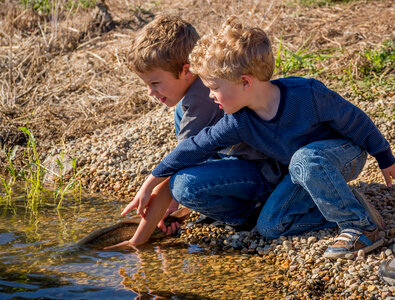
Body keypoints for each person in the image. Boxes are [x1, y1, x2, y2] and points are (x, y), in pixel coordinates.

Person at [127, 16, 394, 258]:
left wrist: (384, 157)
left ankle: (359, 226)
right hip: (298, 172)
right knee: (269, 226)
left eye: (215, 88)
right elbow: (196, 147)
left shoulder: (307, 94)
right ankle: (347, 203)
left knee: (304, 158)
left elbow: (355, 120)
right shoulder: (238, 120)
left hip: (340, 155)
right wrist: (152, 180)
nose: (210, 95)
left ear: (245, 82)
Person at [112, 15, 280, 247]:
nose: (150, 92)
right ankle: (216, 203)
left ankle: (245, 215)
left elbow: (178, 165)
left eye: (155, 83)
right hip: (241, 161)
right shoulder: (195, 93)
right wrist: (168, 207)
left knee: (184, 185)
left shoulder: (202, 98)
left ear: (187, 71)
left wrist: (137, 241)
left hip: (264, 174)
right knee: (181, 117)